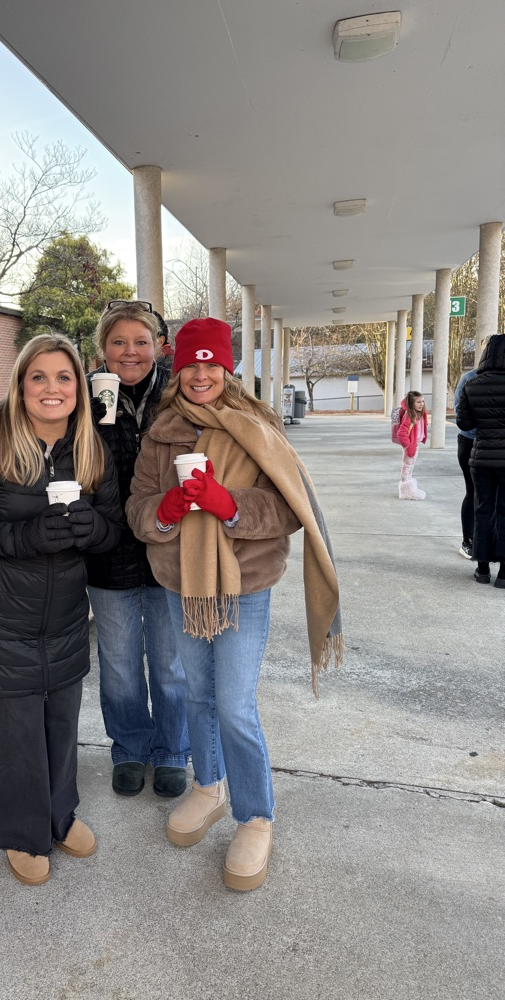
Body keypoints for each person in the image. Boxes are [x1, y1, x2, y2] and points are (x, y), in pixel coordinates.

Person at [126, 317, 342, 891]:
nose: (201, 374)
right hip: (182, 585)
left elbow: (287, 510)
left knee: (235, 705)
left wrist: (227, 505)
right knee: (197, 693)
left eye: (211, 364)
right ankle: (208, 785)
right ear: (178, 368)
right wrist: (169, 510)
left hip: (243, 588)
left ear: (227, 368)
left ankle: (255, 814)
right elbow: (137, 509)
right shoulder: (162, 430)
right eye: (191, 364)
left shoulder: (258, 427)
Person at [0, 334, 123, 886]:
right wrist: (26, 536)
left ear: (79, 387)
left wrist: (96, 529)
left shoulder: (92, 447)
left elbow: (114, 528)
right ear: (21, 385)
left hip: (66, 616)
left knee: (61, 723)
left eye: (64, 377)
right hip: (1, 619)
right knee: (16, 733)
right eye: (38, 377)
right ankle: (24, 833)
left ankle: (60, 815)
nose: (52, 388)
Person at [86, 300, 190, 799]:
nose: (130, 352)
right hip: (108, 551)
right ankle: (128, 747)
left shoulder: (180, 394)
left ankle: (173, 750)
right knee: (121, 665)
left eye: (141, 342)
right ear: (102, 350)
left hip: (169, 547)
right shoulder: (82, 401)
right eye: (118, 342)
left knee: (170, 664)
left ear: (159, 347)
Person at [455, 334, 505, 588]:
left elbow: (464, 423)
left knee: (483, 509)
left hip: (481, 457)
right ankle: (504, 573)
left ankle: (483, 569)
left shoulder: (472, 383)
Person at [454, 369, 478, 558]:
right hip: (472, 441)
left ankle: (473, 541)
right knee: (473, 491)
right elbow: (459, 413)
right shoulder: (470, 378)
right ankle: (468, 540)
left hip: (475, 440)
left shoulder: (470, 378)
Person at [396, 391, 428, 500]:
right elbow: (401, 434)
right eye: (418, 402)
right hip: (410, 445)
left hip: (415, 444)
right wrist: (408, 446)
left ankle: (410, 489)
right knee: (406, 467)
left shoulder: (418, 414)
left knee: (410, 468)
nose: (421, 404)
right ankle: (405, 491)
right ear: (411, 403)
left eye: (423, 401)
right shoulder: (409, 416)